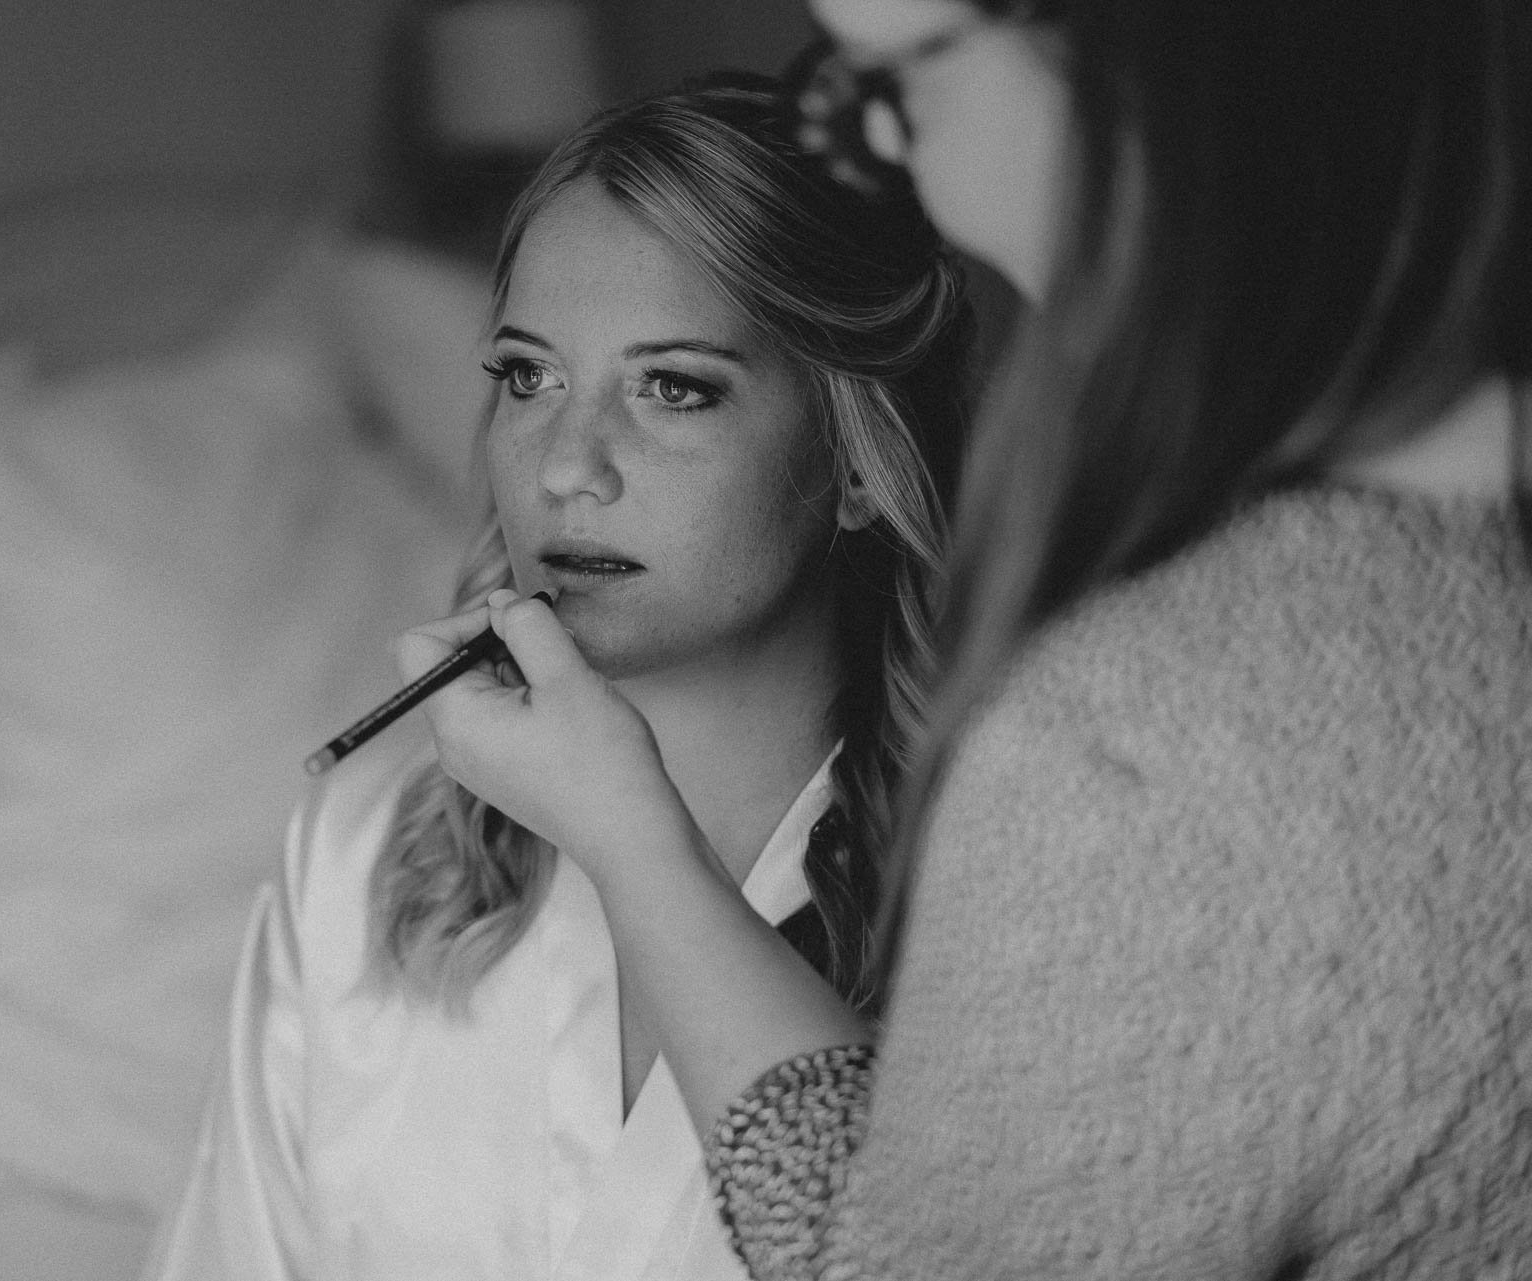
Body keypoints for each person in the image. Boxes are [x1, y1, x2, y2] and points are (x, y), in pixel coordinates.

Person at [411, 0, 1532, 1277]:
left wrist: (628, 840)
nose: (889, 151)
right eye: (523, 377)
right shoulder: (1433, 554)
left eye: (900, 76)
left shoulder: (1158, 731)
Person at [143, 75, 972, 1280]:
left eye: (673, 386)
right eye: (528, 378)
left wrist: (638, 846)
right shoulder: (359, 865)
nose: (566, 466)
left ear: (854, 458)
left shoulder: (1005, 898)